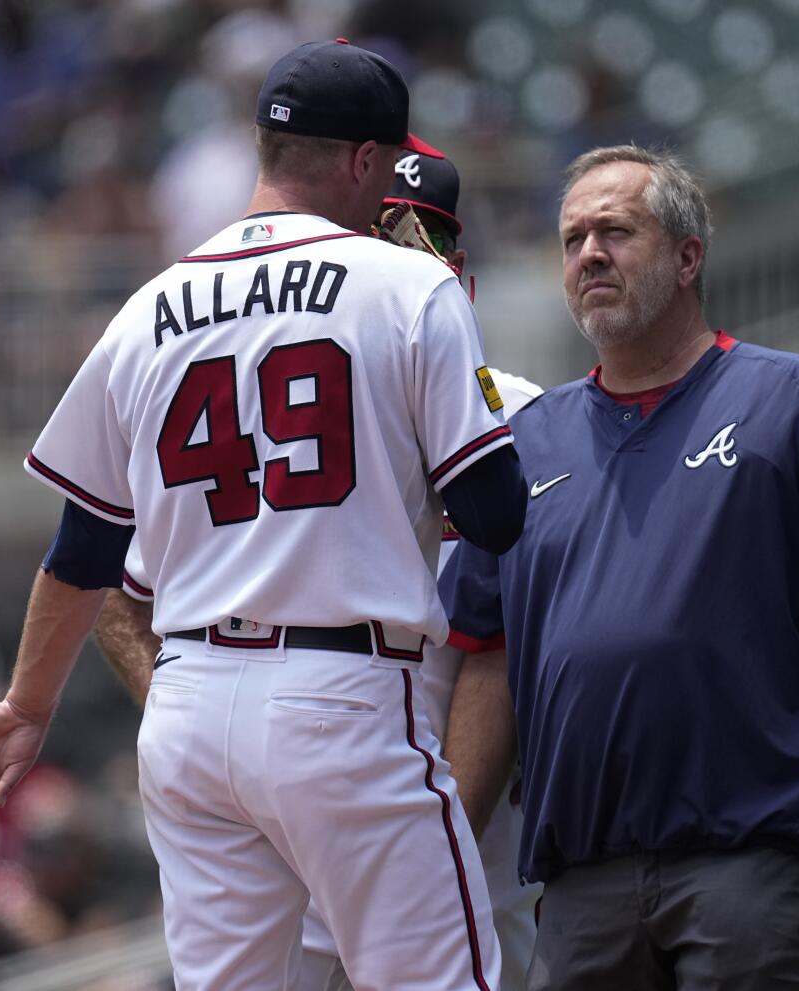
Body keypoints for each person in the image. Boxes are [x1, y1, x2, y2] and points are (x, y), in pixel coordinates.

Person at [0, 40, 526, 990]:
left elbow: (83, 547)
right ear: (368, 161)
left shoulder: (147, 307)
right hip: (344, 697)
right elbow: (493, 515)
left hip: (190, 705)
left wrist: (27, 703)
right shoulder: (411, 285)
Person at [440, 144, 799, 990]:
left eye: (616, 231)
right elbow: (487, 659)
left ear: (688, 255)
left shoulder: (794, 400)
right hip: (581, 873)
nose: (588, 253)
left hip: (749, 857)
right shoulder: (523, 442)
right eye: (572, 239)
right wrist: (440, 857)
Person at [91, 148, 546, 991]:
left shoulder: (518, 412)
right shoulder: (244, 373)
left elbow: (506, 647)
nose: (398, 250)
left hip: (455, 822)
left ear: (455, 263)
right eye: (378, 229)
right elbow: (112, 588)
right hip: (320, 789)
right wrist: (214, 709)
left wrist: (423, 825)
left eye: (418, 234)